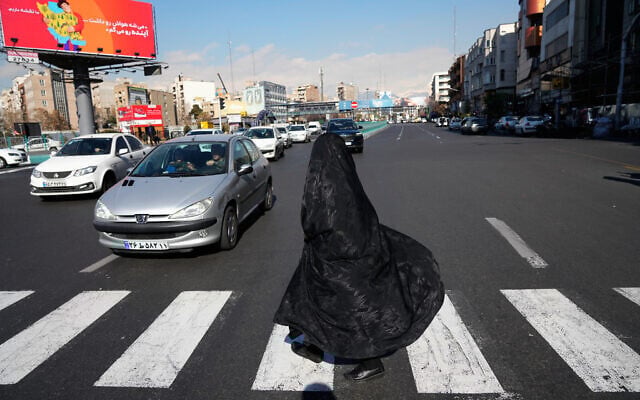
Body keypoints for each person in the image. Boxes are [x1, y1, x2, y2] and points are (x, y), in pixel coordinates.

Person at [273, 133, 445, 382]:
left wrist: (316, 235)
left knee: (349, 308)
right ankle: (312, 343)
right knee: (309, 296)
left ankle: (370, 361)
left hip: (334, 256)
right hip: (356, 250)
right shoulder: (348, 178)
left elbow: (319, 218)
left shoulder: (323, 182)